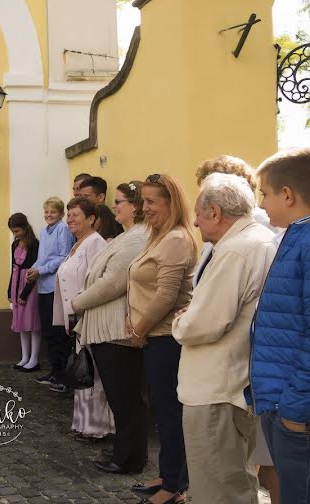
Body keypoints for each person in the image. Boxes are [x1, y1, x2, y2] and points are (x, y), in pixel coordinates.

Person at [173, 173, 276, 503]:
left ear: (215, 212)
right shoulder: (258, 239)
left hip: (216, 386)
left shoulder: (237, 249)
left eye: (199, 214)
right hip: (233, 382)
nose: (195, 221)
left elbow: (204, 323)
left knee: (218, 489)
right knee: (235, 480)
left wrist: (182, 322)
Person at [126, 173, 197, 504]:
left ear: (171, 203)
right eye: (143, 201)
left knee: (169, 412)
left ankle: (175, 486)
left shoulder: (176, 240)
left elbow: (167, 295)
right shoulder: (159, 237)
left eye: (152, 201)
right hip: (153, 335)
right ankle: (168, 474)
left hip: (166, 338)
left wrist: (139, 328)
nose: (145, 207)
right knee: (163, 410)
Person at [248, 147, 310, 504]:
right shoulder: (293, 235)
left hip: (293, 410)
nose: (262, 204)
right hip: (278, 400)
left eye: (265, 194)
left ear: (287, 195)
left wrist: (295, 410)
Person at [77, 181, 150, 475]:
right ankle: (127, 451)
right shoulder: (129, 234)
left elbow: (113, 282)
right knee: (121, 398)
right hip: (108, 330)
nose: (115, 206)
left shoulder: (137, 238)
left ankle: (128, 458)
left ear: (136, 206)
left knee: (125, 399)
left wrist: (77, 302)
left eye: (120, 201)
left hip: (116, 332)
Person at [53, 198, 112, 443]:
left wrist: (82, 313)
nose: (70, 219)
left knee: (93, 372)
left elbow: (98, 282)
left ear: (91, 219)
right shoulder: (77, 244)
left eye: (76, 215)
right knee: (82, 369)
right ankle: (83, 423)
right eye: (69, 215)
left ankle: (98, 427)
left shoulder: (95, 243)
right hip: (76, 318)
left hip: (90, 317)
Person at [30, 197, 76, 389]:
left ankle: (63, 374)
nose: (49, 215)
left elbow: (64, 257)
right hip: (43, 286)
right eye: (47, 212)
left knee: (58, 333)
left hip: (56, 286)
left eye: (53, 212)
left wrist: (41, 270)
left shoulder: (63, 230)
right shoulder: (44, 231)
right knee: (48, 331)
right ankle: (54, 371)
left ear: (61, 214)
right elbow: (41, 257)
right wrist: (32, 270)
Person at [7, 213, 41, 372]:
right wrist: (10, 290)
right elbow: (12, 267)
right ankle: (24, 357)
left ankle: (34, 358)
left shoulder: (34, 244)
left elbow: (33, 269)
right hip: (16, 283)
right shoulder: (14, 245)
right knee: (21, 323)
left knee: (32, 323)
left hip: (28, 284)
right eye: (13, 231)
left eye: (17, 231)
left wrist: (24, 293)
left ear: (25, 228)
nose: (15, 234)